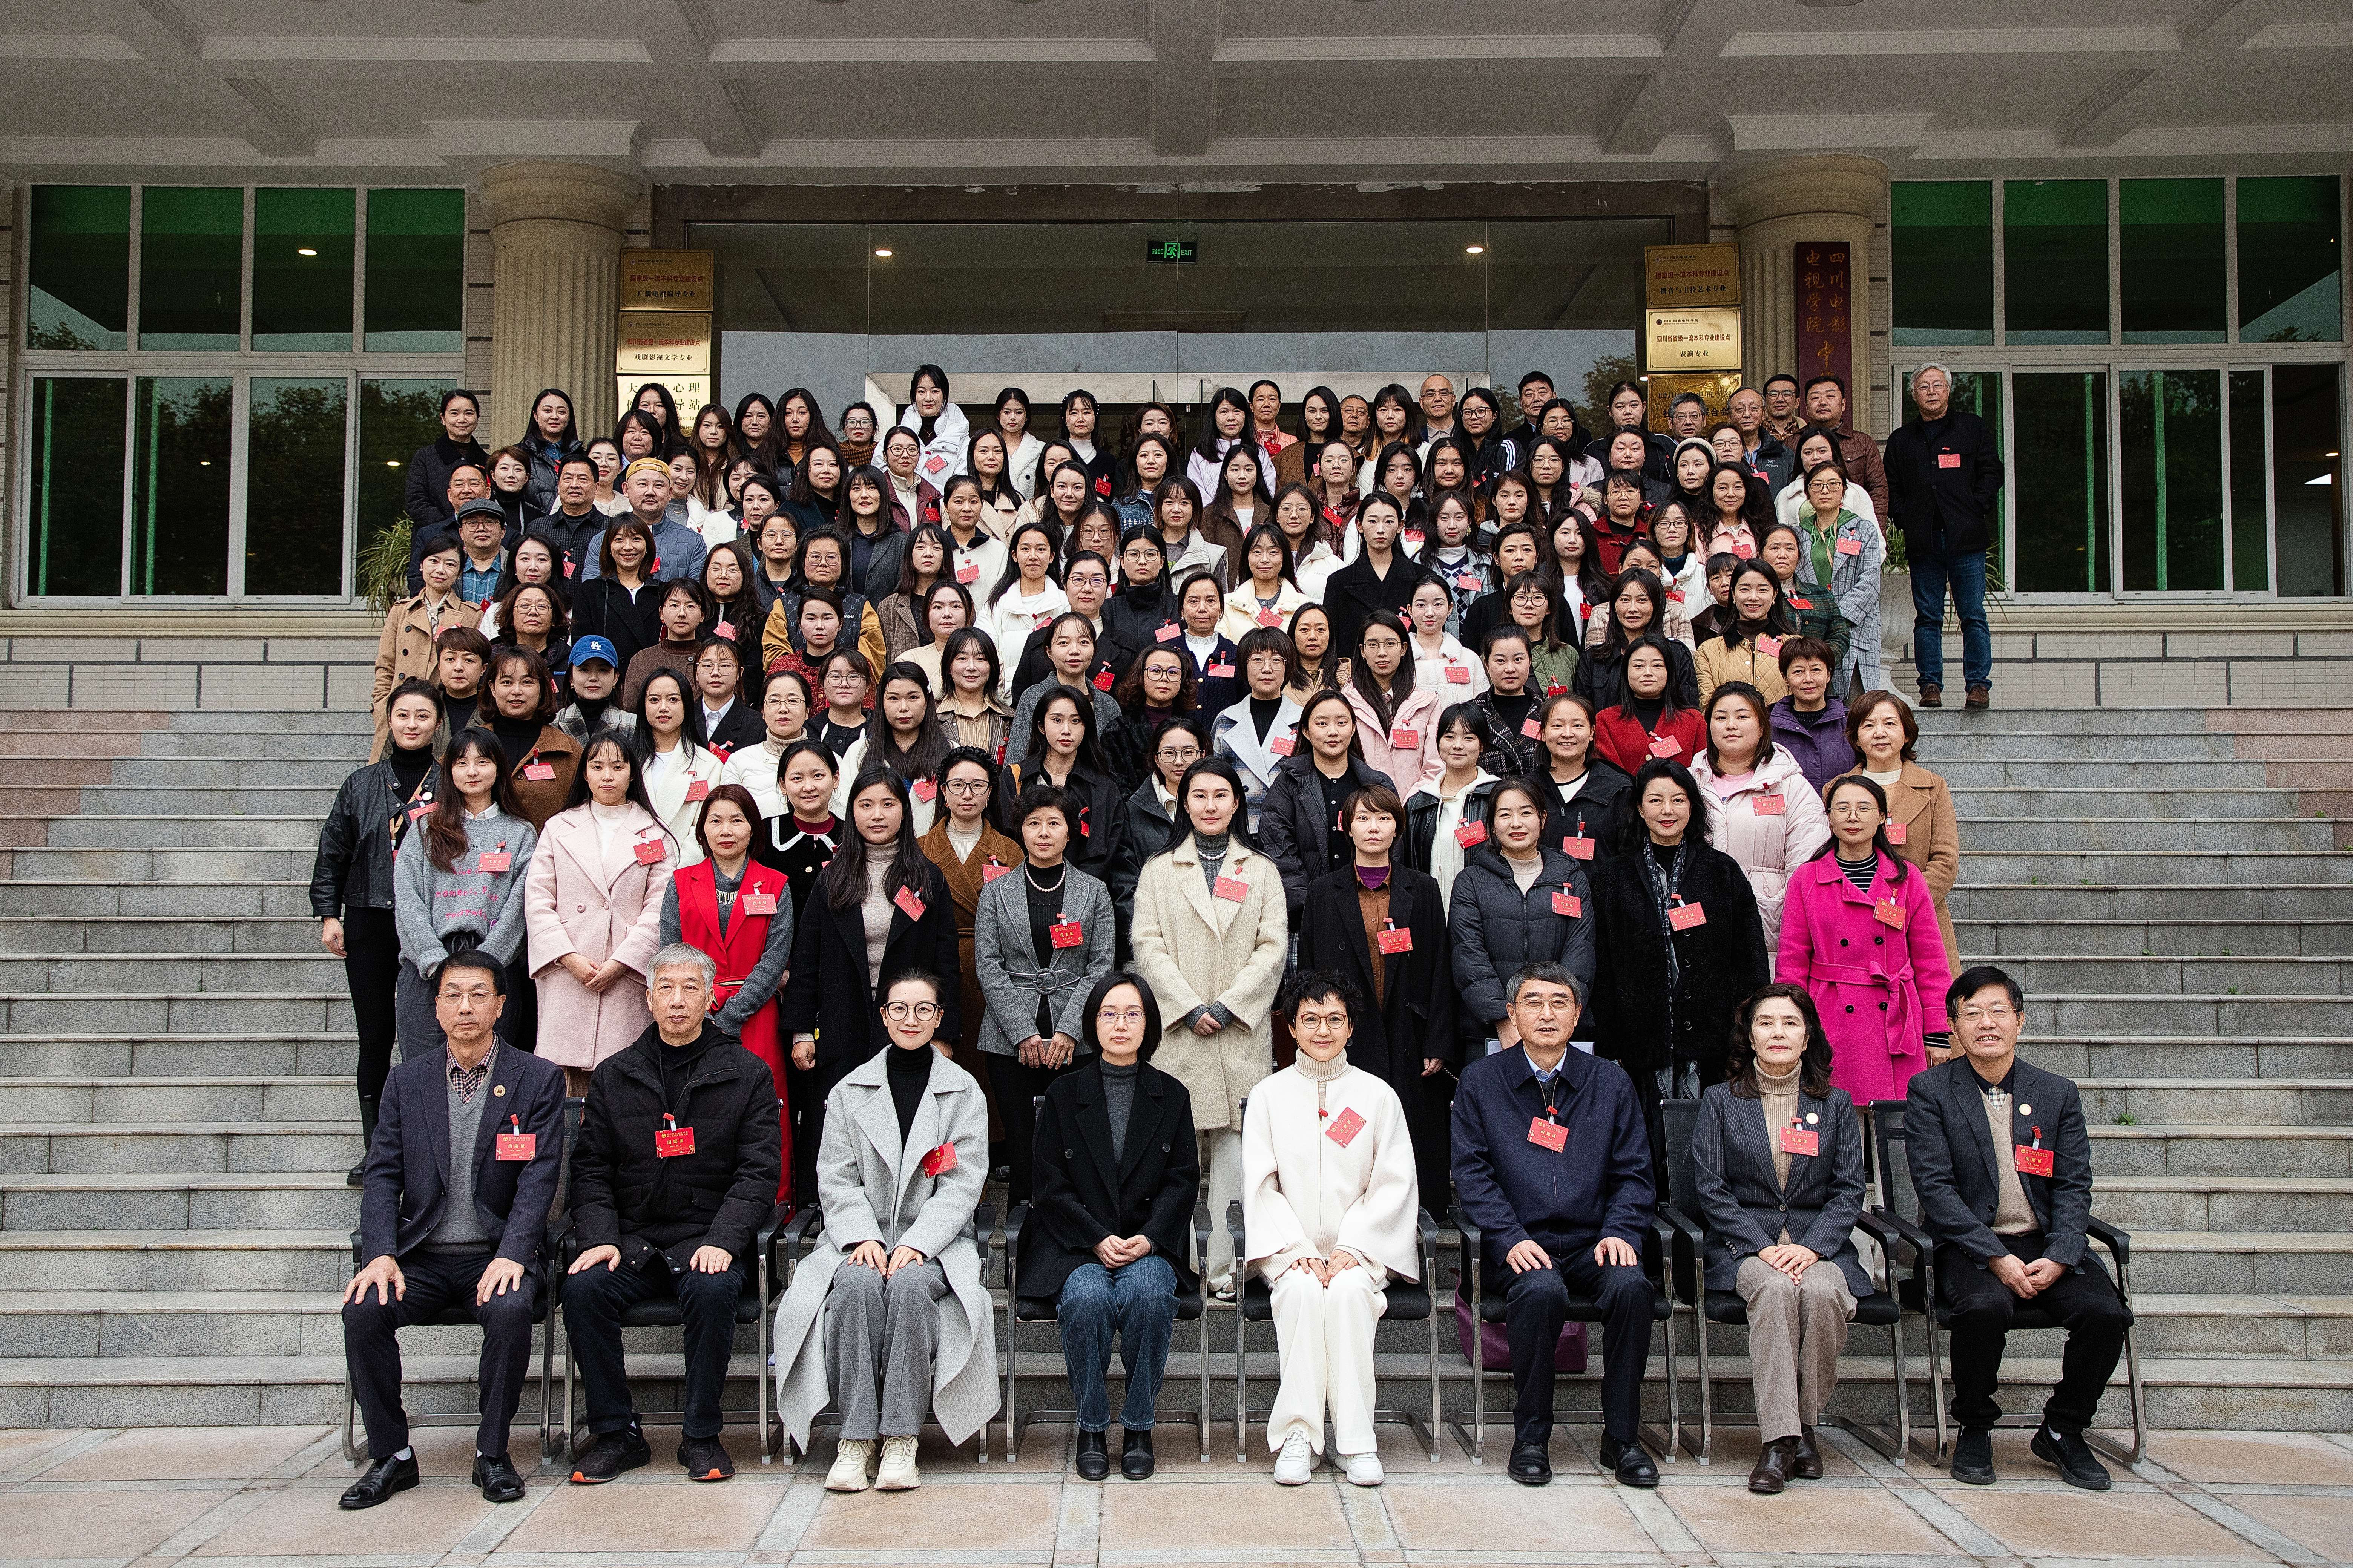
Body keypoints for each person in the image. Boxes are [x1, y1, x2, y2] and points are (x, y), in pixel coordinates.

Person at [338, 951, 567, 1509]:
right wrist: (381, 1252)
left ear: (501, 1005)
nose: (466, 1007)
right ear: (436, 1008)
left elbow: (539, 1179)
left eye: (479, 994)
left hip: (494, 1252)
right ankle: (392, 1453)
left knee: (511, 1308)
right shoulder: (406, 1080)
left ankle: (492, 1452)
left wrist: (514, 1253)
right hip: (421, 1253)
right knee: (364, 1308)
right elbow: (383, 1172)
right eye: (453, 995)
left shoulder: (537, 1078)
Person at [561, 944, 785, 1484]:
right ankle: (617, 1432)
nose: (677, 1000)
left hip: (705, 1237)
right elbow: (590, 1169)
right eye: (666, 988)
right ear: (649, 998)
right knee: (583, 1288)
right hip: (631, 1239)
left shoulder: (746, 1072)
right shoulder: (615, 1074)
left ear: (710, 999)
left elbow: (758, 1173)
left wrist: (725, 1239)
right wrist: (599, 1235)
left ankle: (701, 1435)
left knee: (713, 1288)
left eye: (690, 988)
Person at [1907, 966, 2132, 1492]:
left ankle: (2063, 1427)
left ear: (2020, 1020)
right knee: (1985, 1307)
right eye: (1972, 1013)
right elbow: (1935, 1189)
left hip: (2046, 1243)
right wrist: (1995, 1256)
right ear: (1954, 1025)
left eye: (1998, 1011)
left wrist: (2063, 1252)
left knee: (2106, 1313)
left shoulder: (2056, 1092)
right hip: (1969, 1244)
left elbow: (2074, 1184)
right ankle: (1975, 1425)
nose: (1986, 1023)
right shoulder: (1930, 1090)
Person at [772, 970, 996, 1491]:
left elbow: (963, 1184)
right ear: (884, 1016)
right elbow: (836, 1176)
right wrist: (863, 1237)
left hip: (937, 1244)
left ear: (939, 1018)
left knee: (912, 1286)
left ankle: (900, 1437)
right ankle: (855, 1439)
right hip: (859, 1239)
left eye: (924, 1009)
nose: (911, 1019)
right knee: (855, 1285)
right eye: (899, 1008)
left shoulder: (964, 1091)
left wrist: (917, 1243)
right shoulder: (850, 1090)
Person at [1451, 961, 1658, 1487]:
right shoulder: (1482, 1080)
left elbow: (1635, 1172)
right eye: (1534, 1002)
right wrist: (1508, 1236)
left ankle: (1623, 1437)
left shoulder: (1609, 1081)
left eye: (1559, 1002)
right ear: (1512, 1013)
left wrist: (1621, 1229)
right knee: (1540, 1289)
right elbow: (1471, 1173)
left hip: (1594, 1240)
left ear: (1578, 1013)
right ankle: (1531, 1437)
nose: (1547, 1014)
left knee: (1632, 1287)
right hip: (1520, 1243)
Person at [1242, 971, 1422, 1488]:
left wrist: (1355, 1245)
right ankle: (1299, 1436)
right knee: (1300, 1292)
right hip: (1290, 1249)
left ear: (1351, 1027)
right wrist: (1294, 1246)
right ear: (1291, 1027)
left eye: (1335, 1019)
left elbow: (1393, 1182)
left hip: (1360, 1250)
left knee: (1347, 1294)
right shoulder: (1269, 1095)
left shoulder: (1378, 1096)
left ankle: (1356, 1440)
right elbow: (1260, 1183)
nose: (1323, 1030)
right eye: (1310, 1019)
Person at [1689, 984, 1869, 1494]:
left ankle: (1800, 1426)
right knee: (1773, 1289)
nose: (1778, 1032)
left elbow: (1849, 1188)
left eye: (1790, 1023)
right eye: (1766, 1023)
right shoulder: (1721, 1100)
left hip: (1817, 1242)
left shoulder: (1835, 1104)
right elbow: (1711, 1186)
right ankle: (1782, 1440)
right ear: (1749, 1037)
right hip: (1746, 1245)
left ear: (1808, 1036)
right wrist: (1762, 1245)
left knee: (1823, 1292)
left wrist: (1812, 1247)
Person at [1023, 972, 1198, 1480]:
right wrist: (1096, 1238)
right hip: (1077, 1244)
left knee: (1149, 1293)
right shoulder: (1063, 1094)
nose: (1121, 1024)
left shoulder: (1172, 1094)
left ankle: (1140, 1425)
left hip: (1147, 1242)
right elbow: (1049, 1186)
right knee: (1086, 1297)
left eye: (1133, 1014)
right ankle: (1093, 1426)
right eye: (1109, 1013)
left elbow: (1182, 1180)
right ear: (1093, 1022)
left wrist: (1150, 1238)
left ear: (1150, 1023)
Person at [1129, 759, 1288, 1295]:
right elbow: (1147, 944)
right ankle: (1170, 1265)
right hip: (1178, 1029)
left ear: (1238, 802)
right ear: (1184, 802)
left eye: (1221, 795)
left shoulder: (1260, 869)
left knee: (1234, 1158)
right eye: (1199, 795)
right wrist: (1188, 1006)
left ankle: (1224, 1269)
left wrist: (1227, 1006)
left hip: (1238, 1031)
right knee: (1170, 1156)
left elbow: (1273, 946)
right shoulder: (1159, 869)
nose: (1210, 805)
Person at [778, 767, 962, 1205]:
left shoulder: (928, 878)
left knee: (906, 1118)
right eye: (866, 805)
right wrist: (802, 1030)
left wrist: (945, 1032)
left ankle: (907, 1208)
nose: (877, 815)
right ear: (853, 811)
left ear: (904, 812)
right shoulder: (833, 878)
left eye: (887, 804)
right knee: (839, 1120)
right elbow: (807, 957)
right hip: (841, 1019)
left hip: (909, 1021)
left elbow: (946, 962)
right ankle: (833, 1210)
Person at [1296, 785, 1456, 1205]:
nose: (1374, 827)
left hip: (1409, 1033)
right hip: (1346, 1035)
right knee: (1348, 1132)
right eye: (1363, 818)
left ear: (1397, 828)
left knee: (1409, 1133)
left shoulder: (1423, 889)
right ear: (1346, 827)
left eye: (1384, 818)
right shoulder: (1323, 891)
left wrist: (1438, 1041)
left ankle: (1415, 1217)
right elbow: (1308, 971)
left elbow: (1440, 967)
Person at [1588, 760, 1769, 1116]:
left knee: (1710, 1135)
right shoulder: (1613, 877)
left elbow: (1750, 958)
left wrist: (1743, 1029)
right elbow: (1603, 964)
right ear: (1640, 808)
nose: (1667, 810)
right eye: (1655, 800)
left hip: (1713, 1041)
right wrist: (1610, 1039)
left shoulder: (1722, 871)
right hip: (1638, 1041)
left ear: (1692, 806)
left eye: (1678, 800)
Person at [972, 781, 1118, 1203]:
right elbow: (989, 964)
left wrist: (1071, 1030)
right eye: (1034, 823)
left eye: (1054, 823)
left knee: (1072, 1142)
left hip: (1077, 1040)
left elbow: (1101, 965)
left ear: (1071, 831)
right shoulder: (996, 892)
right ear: (1021, 830)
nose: (1043, 832)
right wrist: (1023, 1032)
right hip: (1008, 1041)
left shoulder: (1094, 891)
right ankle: (1025, 1224)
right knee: (1022, 1143)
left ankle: (1071, 1224)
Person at [1778, 776, 1954, 1104]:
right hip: (1830, 1014)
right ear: (1829, 818)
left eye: (1864, 808)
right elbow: (1792, 963)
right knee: (1836, 1116)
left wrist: (1937, 1031)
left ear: (1882, 817)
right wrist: (1789, 1024)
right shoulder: (1807, 878)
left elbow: (1931, 961)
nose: (1853, 817)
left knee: (1896, 1124)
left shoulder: (1907, 878)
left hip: (1896, 1018)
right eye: (1842, 808)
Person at [660, 783, 795, 1199]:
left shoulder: (776, 884)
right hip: (693, 1012)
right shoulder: (680, 883)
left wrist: (733, 1012)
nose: (726, 830)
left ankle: (774, 1200)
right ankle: (697, 1199)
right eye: (715, 820)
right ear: (702, 829)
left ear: (753, 827)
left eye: (737, 820)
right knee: (696, 1105)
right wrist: (699, 1004)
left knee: (765, 1105)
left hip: (756, 1014)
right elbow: (671, 953)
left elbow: (775, 959)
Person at [523, 731, 675, 1095]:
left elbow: (660, 906)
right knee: (564, 1083)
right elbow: (538, 899)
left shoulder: (655, 833)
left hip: (626, 972)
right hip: (567, 970)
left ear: (633, 774)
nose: (608, 776)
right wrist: (568, 957)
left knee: (623, 1080)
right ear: (585, 774)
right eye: (597, 766)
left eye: (618, 767)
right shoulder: (558, 827)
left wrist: (622, 962)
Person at [392, 725, 537, 1059]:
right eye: (462, 763)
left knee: (489, 1069)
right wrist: (435, 962)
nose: (472, 771)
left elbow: (518, 908)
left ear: (499, 768)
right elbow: (408, 900)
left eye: (483, 762)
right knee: (423, 1071)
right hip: (428, 967)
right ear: (449, 771)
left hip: (493, 964)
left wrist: (486, 964)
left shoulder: (521, 833)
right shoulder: (425, 828)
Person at [1447, 774, 1599, 1059]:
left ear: (1542, 818)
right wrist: (1503, 1017)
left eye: (1526, 813)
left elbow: (1581, 950)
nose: (1516, 823)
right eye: (1505, 815)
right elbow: (1468, 954)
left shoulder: (1571, 877)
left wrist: (1556, 1013)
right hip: (1492, 1033)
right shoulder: (1471, 881)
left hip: (1561, 1031)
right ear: (1492, 825)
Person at [1885, 364, 2003, 710]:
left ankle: (1978, 685)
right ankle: (1930, 685)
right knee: (1928, 617)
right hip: (1923, 541)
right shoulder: (1902, 440)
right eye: (1924, 386)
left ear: (1948, 391)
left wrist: (1976, 506)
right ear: (1914, 394)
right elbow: (1892, 487)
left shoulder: (1972, 428)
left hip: (1966, 539)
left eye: (1938, 385)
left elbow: (1992, 472)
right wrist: (1905, 517)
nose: (1931, 392)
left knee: (1973, 614)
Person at [1688, 683, 1831, 953]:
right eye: (1721, 717)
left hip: (1768, 926)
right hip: (1696, 927)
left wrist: (1790, 919)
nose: (1731, 725)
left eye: (1743, 716)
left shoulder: (1791, 786)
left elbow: (1807, 862)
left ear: (1763, 727)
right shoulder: (1688, 783)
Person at [1840, 691, 1962, 970]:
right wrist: (1866, 905)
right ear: (1856, 738)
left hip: (1921, 919)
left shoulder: (1934, 787)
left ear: (1907, 734)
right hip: (1855, 921)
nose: (1879, 733)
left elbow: (1945, 861)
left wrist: (1902, 905)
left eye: (1890, 724)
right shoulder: (1837, 789)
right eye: (1868, 725)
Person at [918, 748, 1022, 1074]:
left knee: (989, 1075)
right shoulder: (919, 849)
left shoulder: (1010, 851)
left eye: (978, 786)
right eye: (958, 785)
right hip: (935, 972)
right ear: (943, 791)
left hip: (995, 975)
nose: (967, 794)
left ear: (990, 793)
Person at [1257, 689, 1397, 920]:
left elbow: (1395, 849)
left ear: (1353, 728)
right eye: (1322, 724)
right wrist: (1313, 904)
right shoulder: (1289, 783)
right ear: (1306, 731)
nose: (1333, 732)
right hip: (1307, 915)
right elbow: (1278, 848)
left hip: (1369, 910)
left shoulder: (1377, 784)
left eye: (1342, 723)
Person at [371, 527, 480, 758]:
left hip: (442, 713)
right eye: (434, 561)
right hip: (400, 710)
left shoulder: (472, 615)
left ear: (460, 572)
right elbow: (385, 665)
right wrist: (382, 706)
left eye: (450, 564)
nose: (441, 570)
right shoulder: (401, 611)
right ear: (421, 566)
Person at [999, 687, 1123, 884]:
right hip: (1021, 888)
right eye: (1057, 720)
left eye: (1076, 721)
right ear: (1041, 726)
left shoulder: (1103, 789)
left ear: (1086, 727)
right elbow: (1007, 844)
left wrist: (1074, 892)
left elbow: (1102, 859)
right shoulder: (1014, 779)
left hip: (1084, 893)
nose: (1066, 730)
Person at [1107, 716, 1204, 956]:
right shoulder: (1132, 812)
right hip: (1153, 944)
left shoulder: (1218, 809)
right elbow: (1124, 885)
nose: (1179, 761)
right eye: (1169, 753)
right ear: (1156, 759)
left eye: (1188, 753)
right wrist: (1154, 938)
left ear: (1202, 756)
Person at [1402, 702, 1500, 909]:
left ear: (1483, 745)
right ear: (1438, 742)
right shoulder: (1418, 803)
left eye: (1469, 738)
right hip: (1429, 912)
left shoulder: (1498, 798)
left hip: (1484, 912)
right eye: (1449, 737)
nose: (1458, 745)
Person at [1209, 626, 1301, 833]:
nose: (1267, 669)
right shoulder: (1226, 720)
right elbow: (1213, 780)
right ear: (1245, 666)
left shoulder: (1303, 721)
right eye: (1258, 660)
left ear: (1287, 667)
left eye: (1276, 660)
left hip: (1289, 830)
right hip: (1238, 829)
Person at [1344, 609, 1440, 797]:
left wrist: (1409, 806)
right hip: (1361, 808)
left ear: (1404, 649)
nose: (1382, 653)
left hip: (1412, 808)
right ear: (1363, 651)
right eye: (1373, 645)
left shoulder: (1427, 704)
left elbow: (1435, 767)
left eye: (1390, 644)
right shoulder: (1346, 702)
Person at [583, 457, 708, 587]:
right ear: (626, 490)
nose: (650, 492)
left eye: (659, 486)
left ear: (670, 493)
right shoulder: (603, 540)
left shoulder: (693, 542)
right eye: (643, 484)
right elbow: (591, 590)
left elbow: (695, 592)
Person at [1592, 635, 1703, 777]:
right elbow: (1605, 777)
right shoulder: (1605, 720)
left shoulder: (1694, 720)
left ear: (1669, 671)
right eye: (1639, 666)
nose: (1648, 673)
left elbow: (1703, 774)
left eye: (1657, 666)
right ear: (1626, 672)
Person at [1693, 561, 1794, 706]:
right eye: (1745, 589)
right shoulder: (1708, 652)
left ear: (1774, 595)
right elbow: (1708, 708)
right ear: (1734, 595)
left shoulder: (1793, 646)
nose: (1753, 597)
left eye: (1763, 590)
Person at [1769, 637, 1856, 795]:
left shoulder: (1850, 723)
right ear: (1785, 678)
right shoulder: (1769, 725)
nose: (1808, 679)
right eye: (1798, 672)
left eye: (1816, 670)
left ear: (1828, 675)